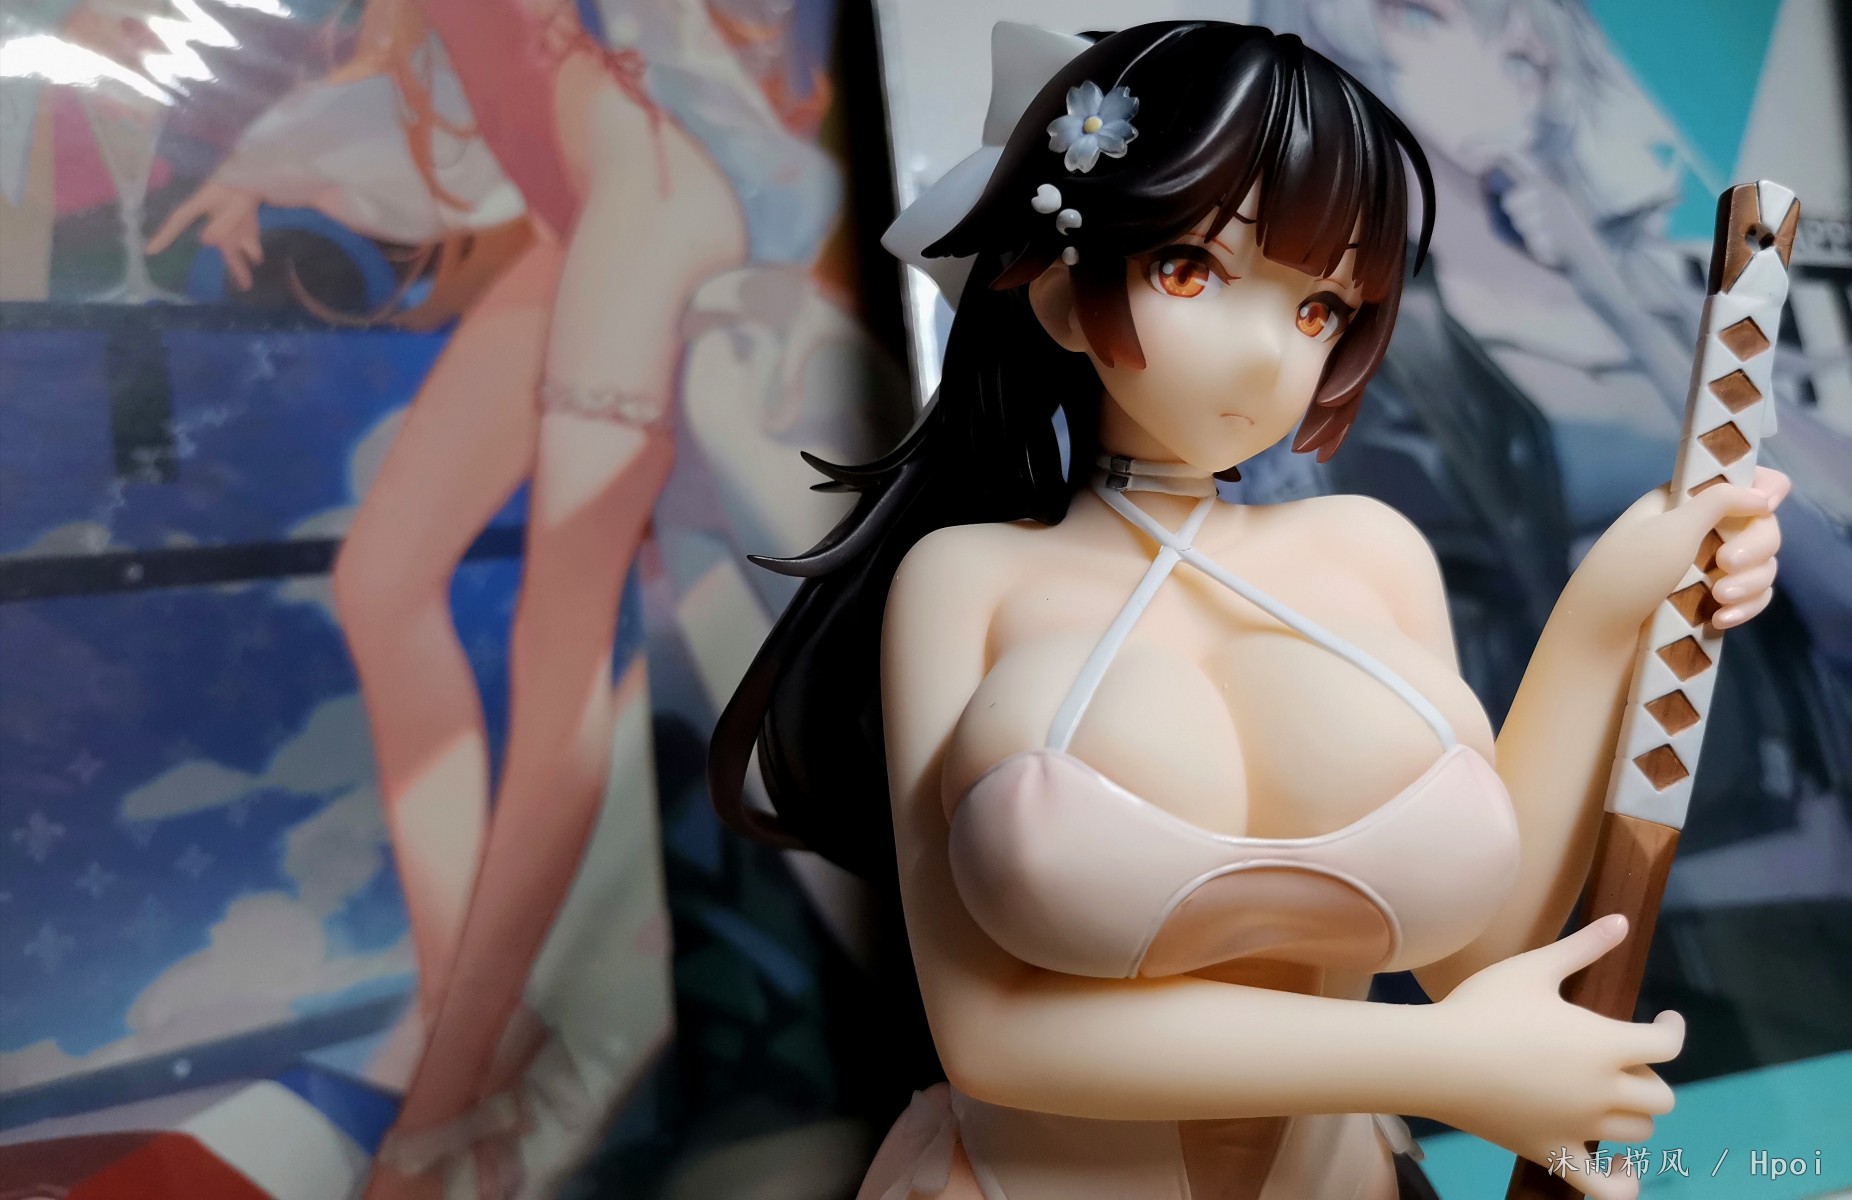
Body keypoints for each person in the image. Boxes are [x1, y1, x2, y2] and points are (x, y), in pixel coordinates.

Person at [709, 21, 1787, 1200]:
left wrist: (1611, 610)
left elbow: (1476, 957)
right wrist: (1446, 1063)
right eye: (1192, 269)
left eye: (1319, 306)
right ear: (1063, 294)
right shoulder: (967, 579)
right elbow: (994, 1038)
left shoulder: (1369, 551)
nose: (1268, 352)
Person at [149, 2, 748, 1197]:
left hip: (642, 207)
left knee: (557, 640)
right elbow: (412, 92)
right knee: (380, 580)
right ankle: (471, 1019)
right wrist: (255, 167)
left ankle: (448, 1092)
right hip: (573, 217)